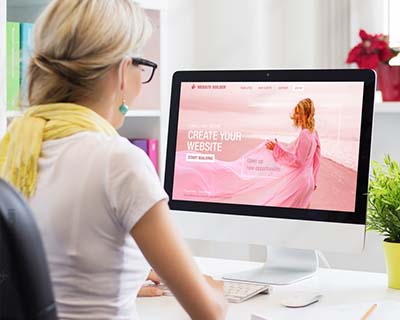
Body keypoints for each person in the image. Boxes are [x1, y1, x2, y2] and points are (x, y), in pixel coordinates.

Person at [0, 1, 227, 319]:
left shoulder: (16, 148)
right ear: (122, 70)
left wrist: (120, 280)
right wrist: (215, 292)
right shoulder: (119, 162)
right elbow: (208, 312)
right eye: (142, 64)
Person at [265, 98, 321, 208]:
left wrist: (277, 150)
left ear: (305, 114)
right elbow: (317, 158)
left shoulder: (305, 134)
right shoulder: (313, 132)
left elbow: (298, 161)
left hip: (301, 181)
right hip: (308, 180)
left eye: (298, 112)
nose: (295, 115)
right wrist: (314, 179)